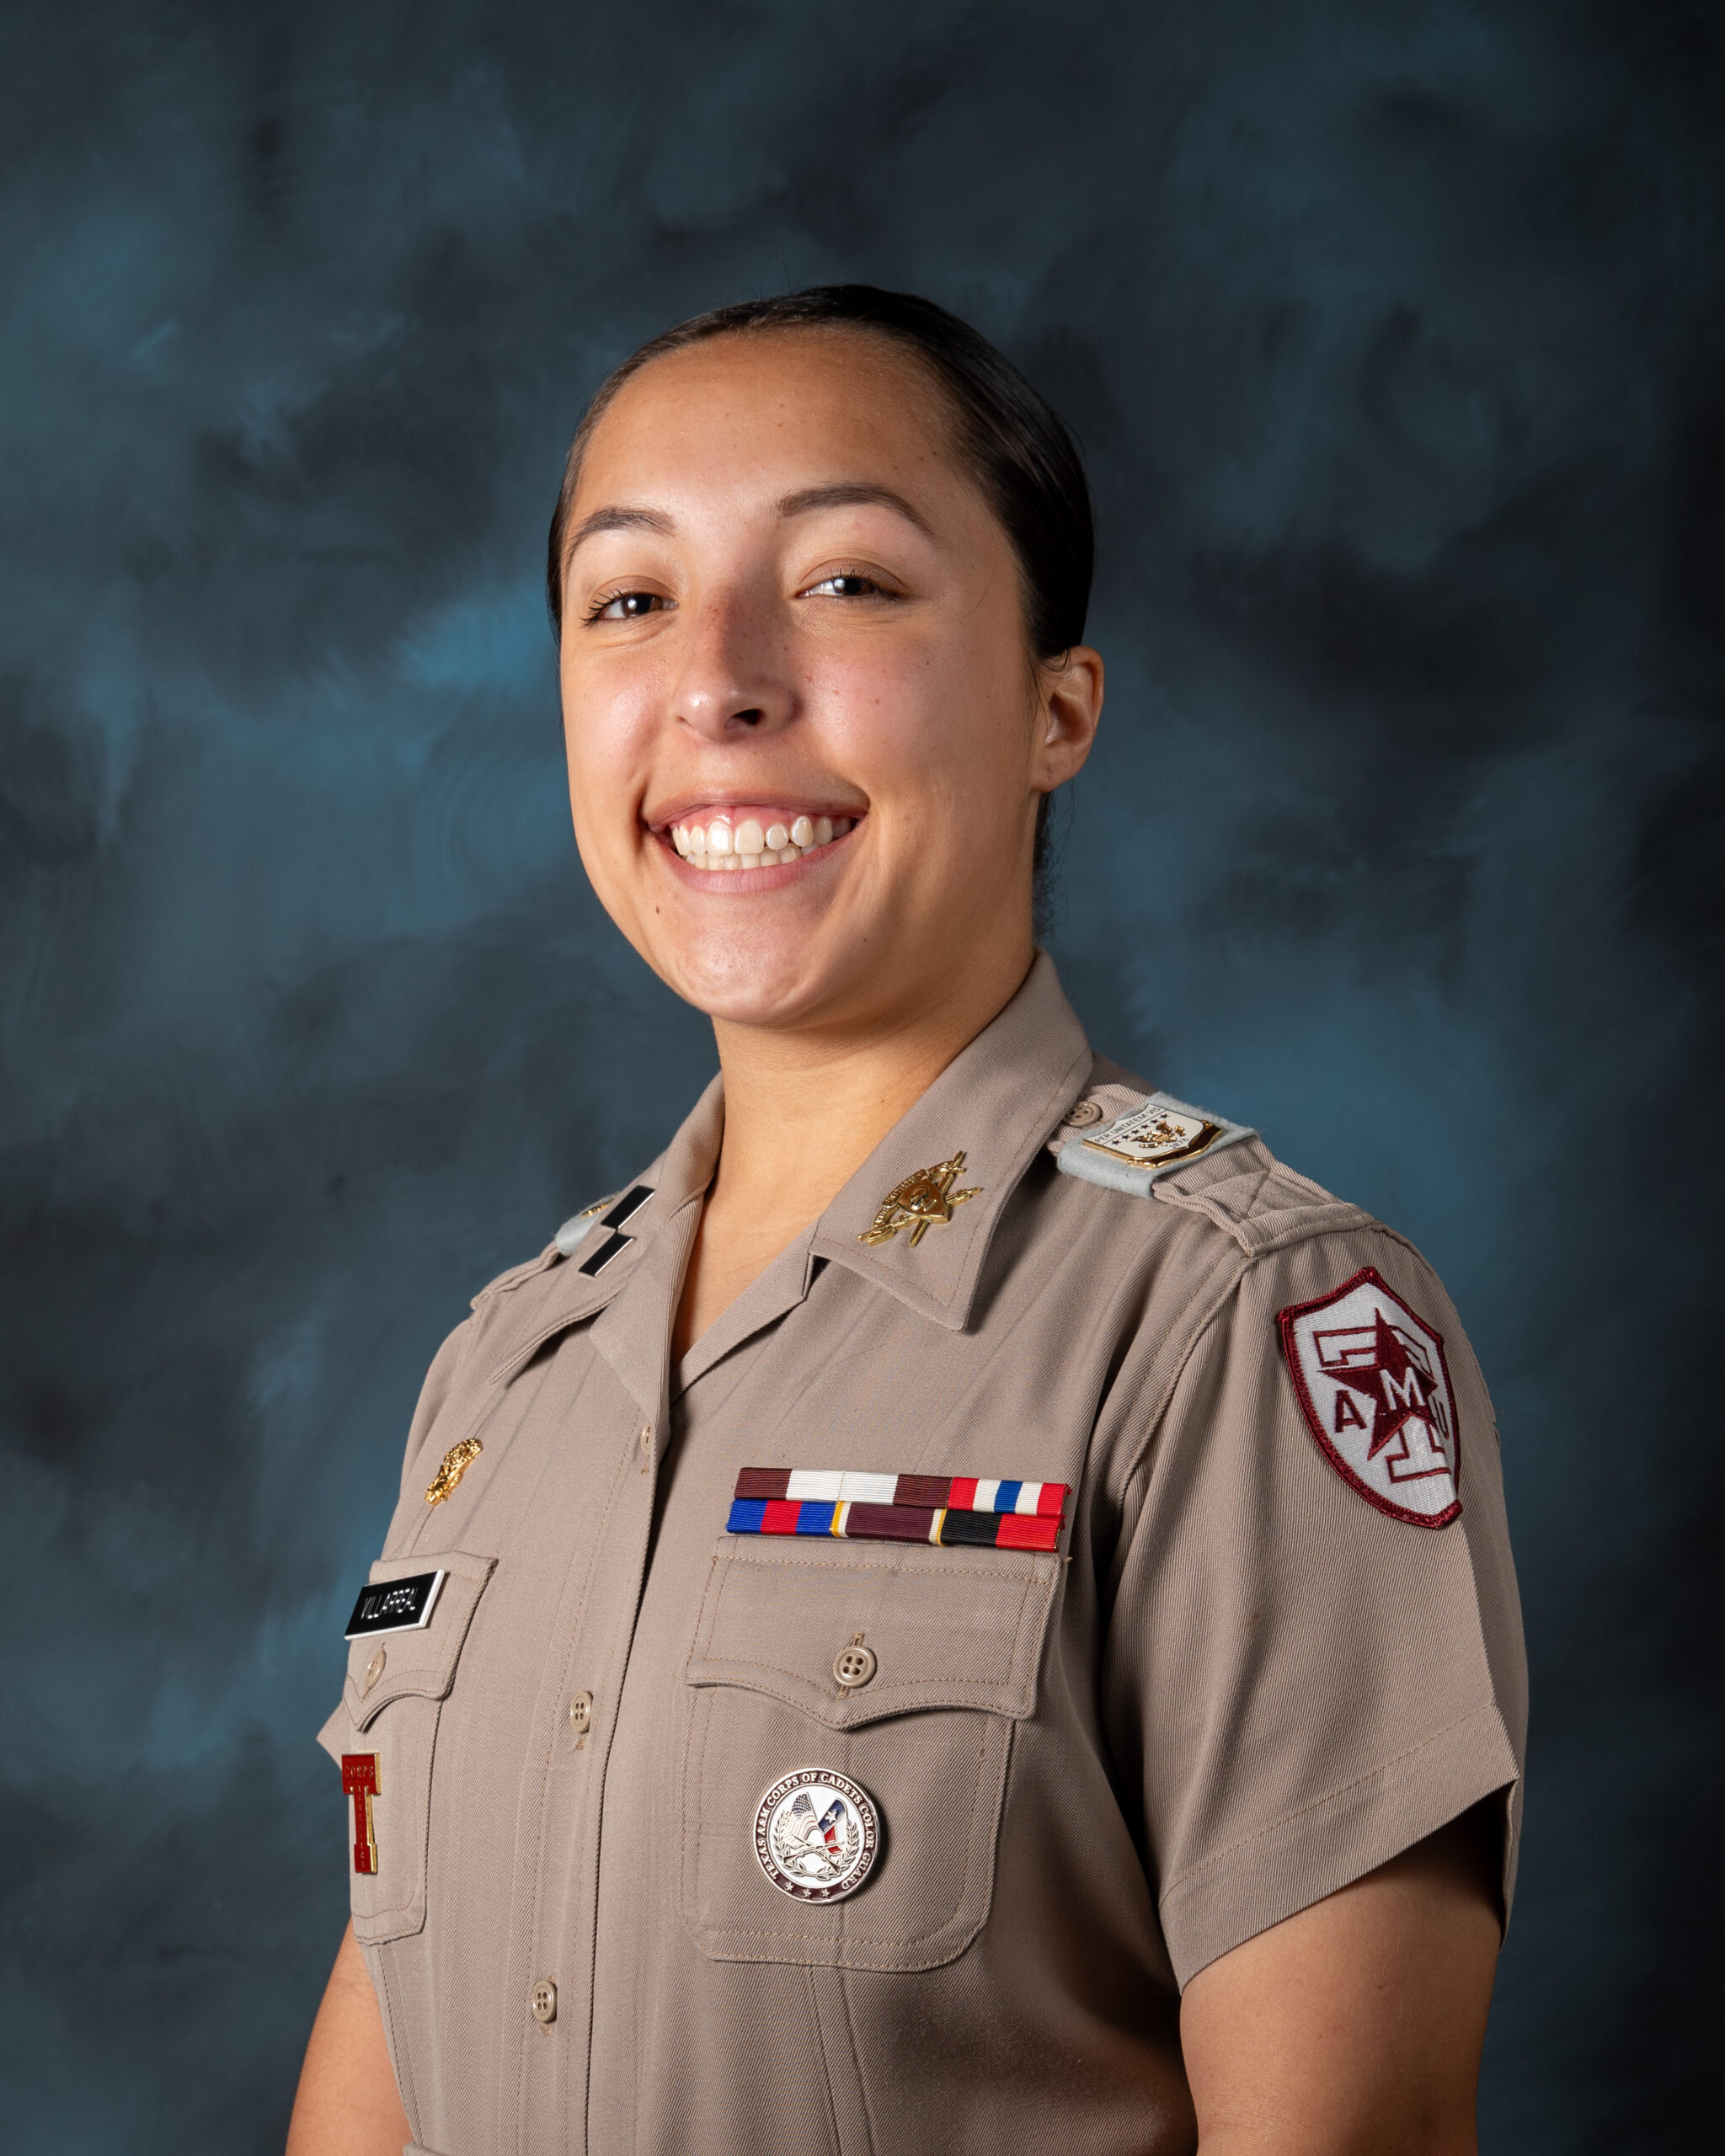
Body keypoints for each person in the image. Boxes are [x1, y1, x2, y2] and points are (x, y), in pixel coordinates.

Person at [286, 286, 1525, 2156]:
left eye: (847, 581)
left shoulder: (1231, 1322)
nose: (718, 676)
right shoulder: (507, 1371)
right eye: (628, 598)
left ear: (1055, 708)